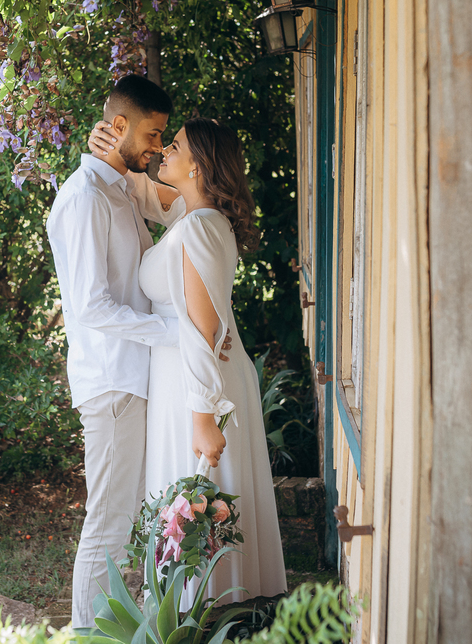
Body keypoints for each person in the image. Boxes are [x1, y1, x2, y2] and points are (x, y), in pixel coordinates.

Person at [47, 75, 232, 628]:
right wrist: (179, 336)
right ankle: (86, 635)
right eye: (152, 136)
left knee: (123, 518)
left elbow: (184, 212)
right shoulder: (82, 199)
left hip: (135, 376)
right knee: (107, 520)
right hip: (111, 381)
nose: (156, 149)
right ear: (120, 126)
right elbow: (92, 308)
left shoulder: (120, 190)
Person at [88, 116, 287, 605]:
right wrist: (107, 145)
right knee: (188, 499)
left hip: (198, 382)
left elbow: (204, 331)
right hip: (185, 375)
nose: (162, 153)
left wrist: (204, 418)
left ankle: (210, 607)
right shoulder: (191, 217)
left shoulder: (199, 228)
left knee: (197, 496)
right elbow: (142, 189)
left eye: (173, 146)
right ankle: (200, 605)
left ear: (197, 165)